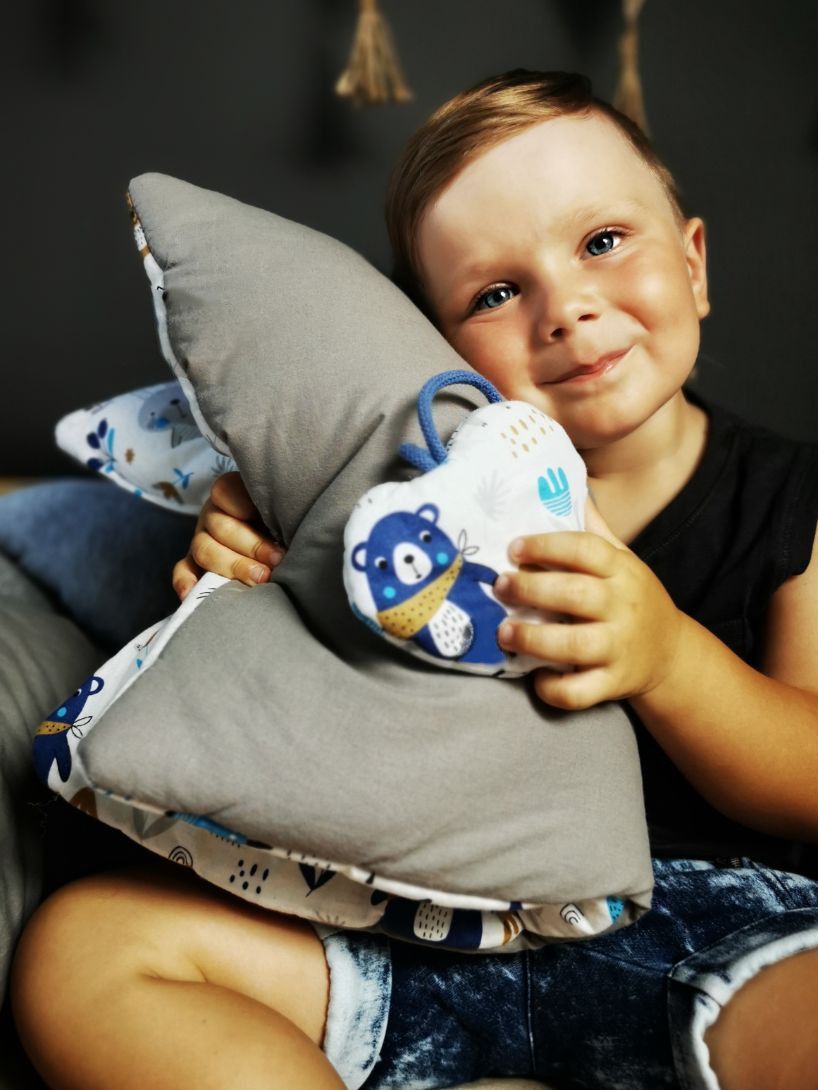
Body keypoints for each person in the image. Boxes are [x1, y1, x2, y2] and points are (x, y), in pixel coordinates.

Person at [12, 70, 818, 1090]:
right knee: (81, 950)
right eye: (495, 293)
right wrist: (237, 565)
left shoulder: (789, 501)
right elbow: (285, 685)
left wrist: (668, 662)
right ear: (435, 349)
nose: (565, 308)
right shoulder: (398, 498)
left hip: (715, 936)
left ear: (693, 264)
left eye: (603, 241)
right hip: (419, 924)